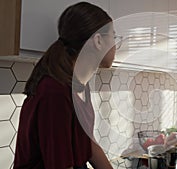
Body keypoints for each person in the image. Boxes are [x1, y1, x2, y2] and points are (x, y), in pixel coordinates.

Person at [13, 2, 119, 169]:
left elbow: (86, 142)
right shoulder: (55, 92)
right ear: (98, 41)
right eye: (114, 37)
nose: (116, 45)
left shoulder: (79, 85)